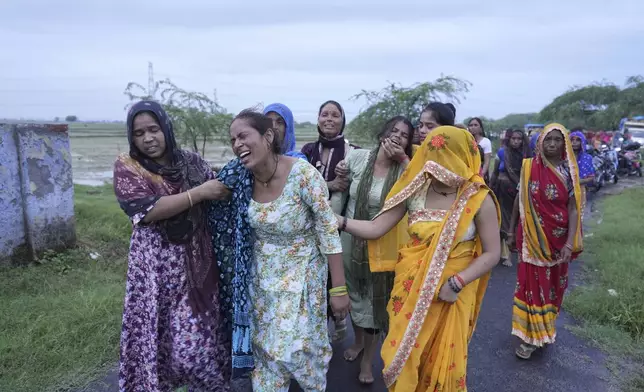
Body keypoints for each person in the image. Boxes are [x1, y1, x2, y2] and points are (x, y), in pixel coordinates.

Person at [338, 126, 501, 391]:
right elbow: (376, 228)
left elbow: (493, 252)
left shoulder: (479, 198)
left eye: (447, 157)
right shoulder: (416, 189)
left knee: (442, 364)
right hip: (409, 291)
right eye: (434, 156)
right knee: (405, 359)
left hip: (452, 294)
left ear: (463, 157)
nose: (439, 165)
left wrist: (458, 282)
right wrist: (340, 221)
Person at [114, 100, 232, 391]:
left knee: (196, 347)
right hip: (154, 270)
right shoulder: (128, 166)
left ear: (165, 128)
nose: (148, 138)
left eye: (153, 129)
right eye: (139, 133)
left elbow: (220, 189)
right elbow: (146, 210)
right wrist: (198, 193)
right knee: (157, 339)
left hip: (196, 267)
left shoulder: (191, 162)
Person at [229, 109, 350, 391]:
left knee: (303, 354)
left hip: (303, 281)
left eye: (244, 136)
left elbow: (327, 231)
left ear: (268, 136)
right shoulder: (242, 178)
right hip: (261, 285)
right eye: (233, 139)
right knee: (266, 355)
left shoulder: (303, 176)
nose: (238, 145)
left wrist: (339, 289)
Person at [335, 116, 415, 384]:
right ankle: (358, 341)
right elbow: (342, 193)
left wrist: (405, 160)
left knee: (373, 304)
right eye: (394, 131)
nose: (398, 136)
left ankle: (368, 359)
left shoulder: (408, 170)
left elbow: (420, 190)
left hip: (385, 247)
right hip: (350, 244)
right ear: (382, 133)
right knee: (355, 297)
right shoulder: (357, 159)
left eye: (404, 134)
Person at [508, 124, 583, 360]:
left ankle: (545, 326)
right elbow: (519, 202)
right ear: (539, 143)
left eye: (557, 140)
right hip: (530, 237)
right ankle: (530, 336)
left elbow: (573, 209)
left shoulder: (569, 171)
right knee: (530, 283)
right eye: (547, 140)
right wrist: (510, 231)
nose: (552, 144)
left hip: (558, 239)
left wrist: (569, 243)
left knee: (552, 285)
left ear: (565, 144)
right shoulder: (529, 168)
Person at [301, 99, 358, 340]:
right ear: (318, 119)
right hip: (307, 227)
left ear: (342, 121)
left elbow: (359, 189)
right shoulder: (306, 151)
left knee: (335, 275)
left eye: (335, 115)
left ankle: (338, 317)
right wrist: (331, 184)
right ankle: (319, 329)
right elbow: (298, 186)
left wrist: (348, 179)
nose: (329, 119)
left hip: (340, 227)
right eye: (325, 114)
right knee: (312, 277)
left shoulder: (353, 152)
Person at [490, 128, 529, 267]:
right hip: (503, 190)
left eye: (519, 139)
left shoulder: (526, 155)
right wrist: (490, 188)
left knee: (518, 219)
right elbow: (495, 172)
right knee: (505, 219)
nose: (516, 141)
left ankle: (515, 250)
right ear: (509, 139)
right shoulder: (502, 152)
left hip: (520, 190)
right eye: (513, 138)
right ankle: (506, 255)